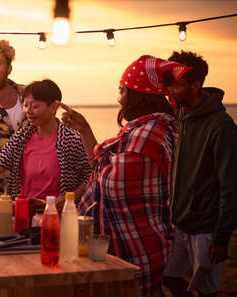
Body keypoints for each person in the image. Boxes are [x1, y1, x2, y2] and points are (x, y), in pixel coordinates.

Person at [61, 55, 191, 297]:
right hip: (138, 239)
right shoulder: (145, 129)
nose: (119, 97)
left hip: (136, 242)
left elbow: (112, 183)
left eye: (122, 90)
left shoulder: (151, 132)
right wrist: (85, 129)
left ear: (137, 94)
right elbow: (103, 169)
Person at [162, 51, 237, 297]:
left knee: (207, 291)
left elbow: (231, 186)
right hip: (180, 222)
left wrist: (222, 237)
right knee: (169, 277)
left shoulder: (222, 127)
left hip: (206, 227)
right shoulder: (182, 115)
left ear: (196, 85)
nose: (171, 90)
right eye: (169, 84)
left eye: (178, 85)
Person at [0, 79, 91, 202]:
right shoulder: (22, 137)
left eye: (35, 106)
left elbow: (90, 176)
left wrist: (69, 199)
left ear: (54, 107)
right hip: (25, 211)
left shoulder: (71, 139)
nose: (28, 111)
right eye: (26, 105)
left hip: (60, 214)